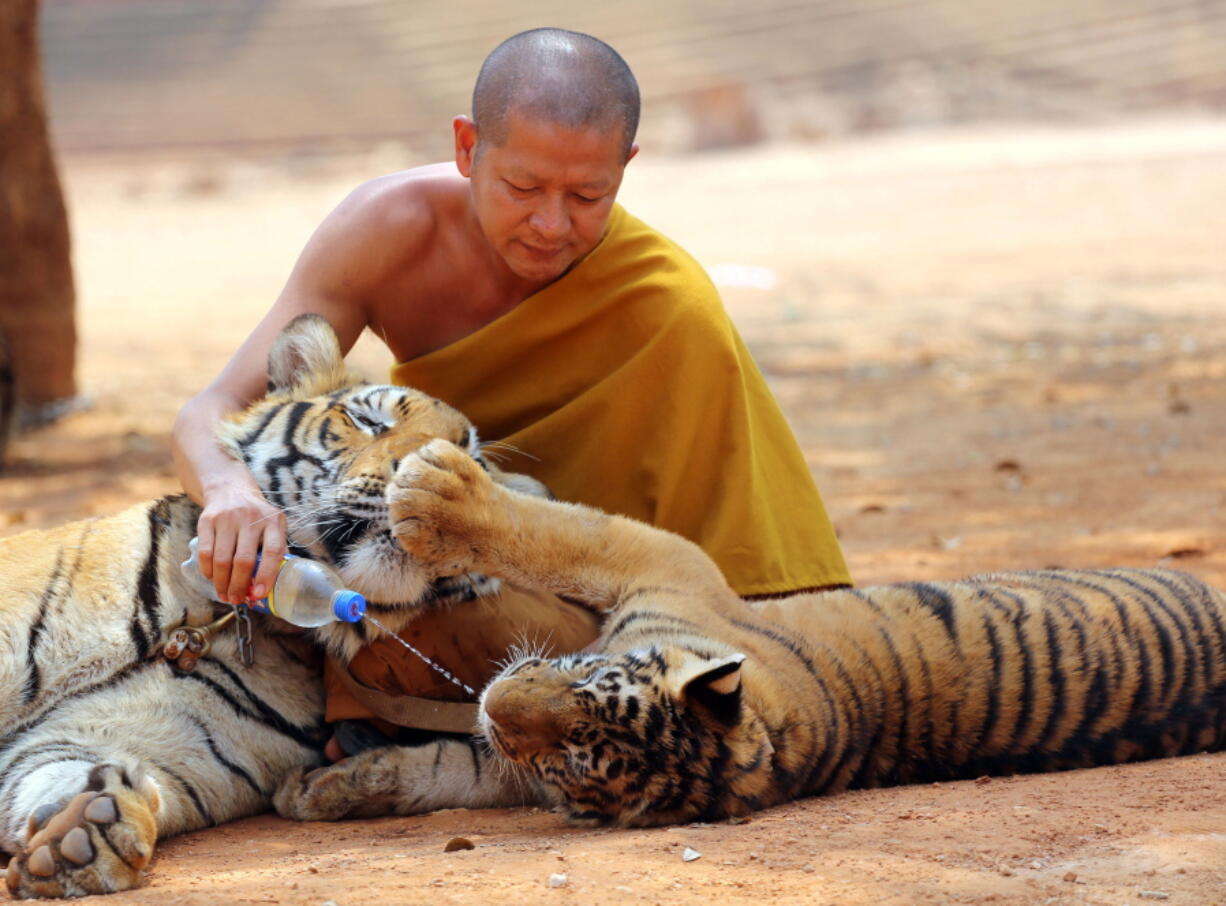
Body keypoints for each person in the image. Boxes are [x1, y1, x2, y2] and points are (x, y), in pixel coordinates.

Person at [172, 28, 852, 754]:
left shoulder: (669, 305)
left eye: (589, 195)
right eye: (522, 188)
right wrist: (228, 491)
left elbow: (739, 561)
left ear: (627, 167)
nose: (551, 224)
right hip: (445, 547)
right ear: (467, 148)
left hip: (604, 597)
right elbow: (209, 410)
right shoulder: (385, 232)